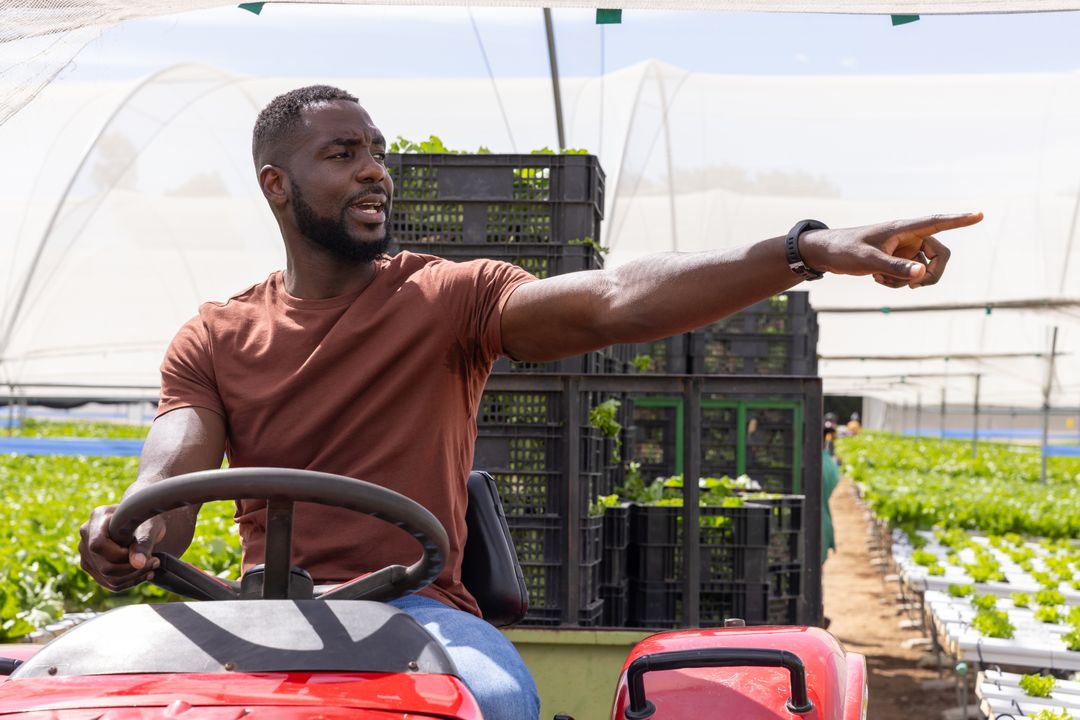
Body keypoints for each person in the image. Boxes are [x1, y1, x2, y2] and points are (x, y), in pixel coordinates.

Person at [78, 85, 982, 720]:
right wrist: (135, 533)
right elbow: (172, 474)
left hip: (412, 608)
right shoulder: (216, 335)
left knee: (496, 695)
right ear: (277, 185)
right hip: (259, 612)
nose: (375, 173)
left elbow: (618, 297)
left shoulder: (447, 297)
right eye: (343, 154)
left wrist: (802, 248)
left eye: (379, 154)